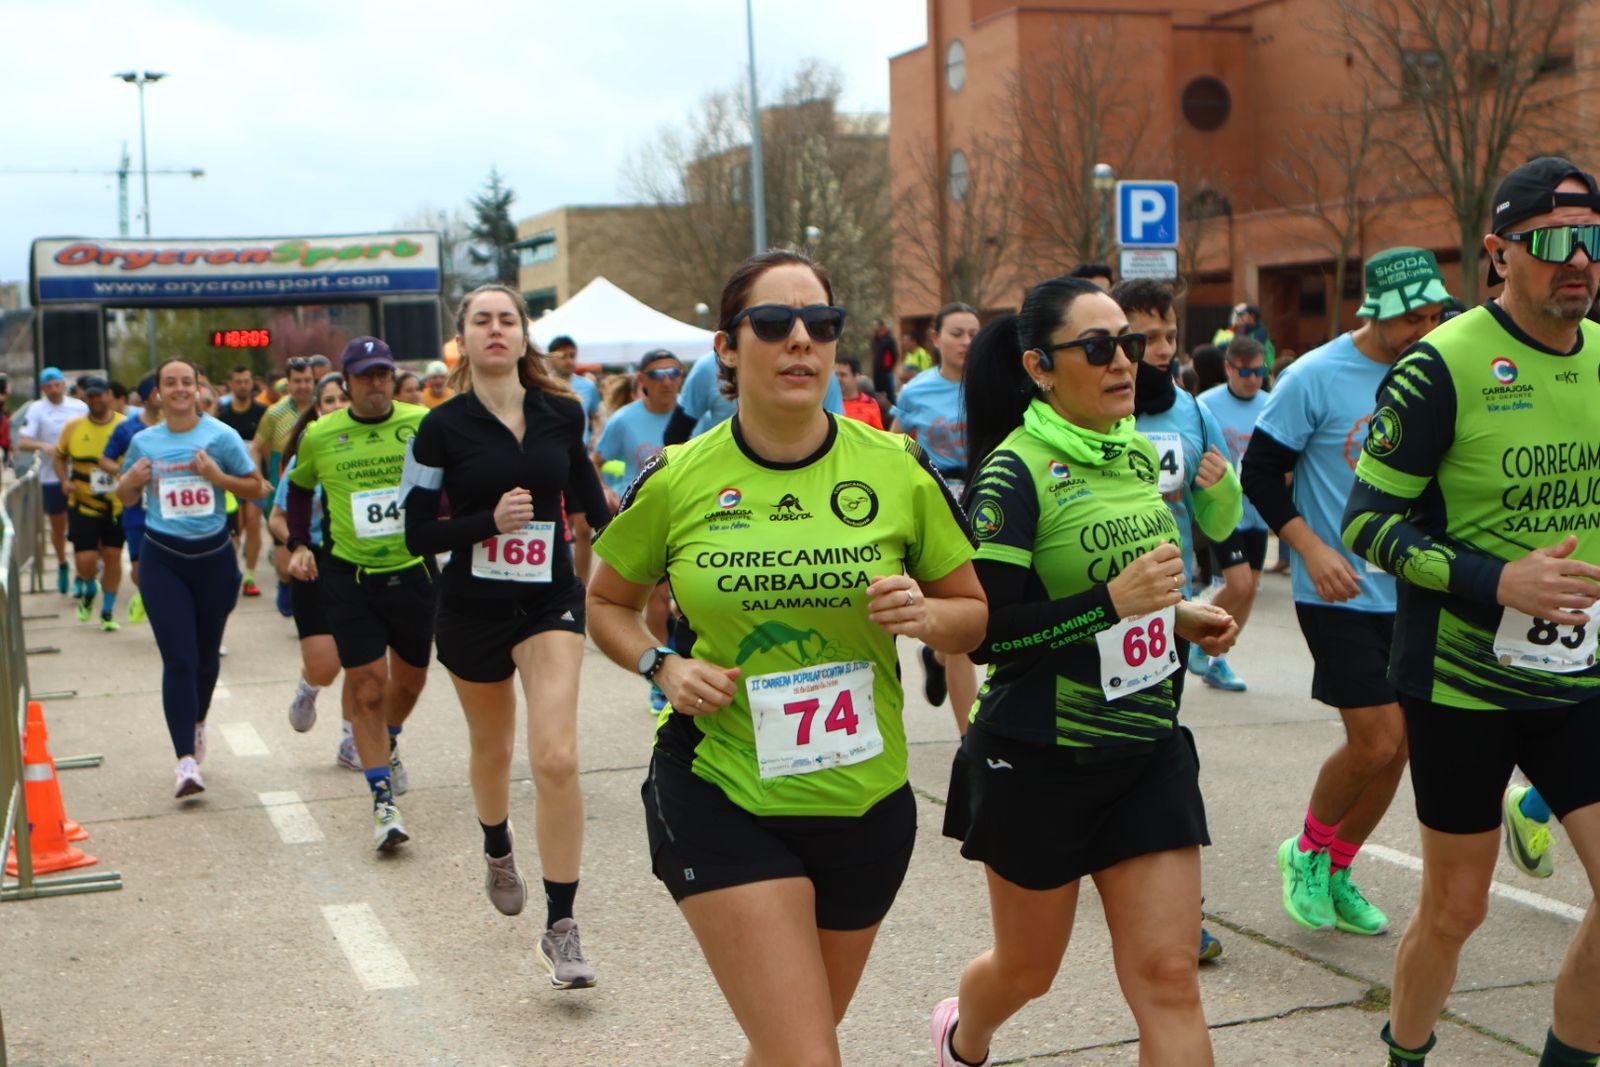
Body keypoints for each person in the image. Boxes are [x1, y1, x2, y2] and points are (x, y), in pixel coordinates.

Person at [587, 248, 985, 1064]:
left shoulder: (896, 467)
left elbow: (973, 616)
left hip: (866, 803)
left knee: (787, 1046)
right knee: (808, 1054)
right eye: (774, 323)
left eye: (821, 324)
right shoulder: (677, 477)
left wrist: (922, 613)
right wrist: (660, 663)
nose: (801, 340)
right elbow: (604, 603)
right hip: (721, 789)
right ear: (728, 348)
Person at [936, 275, 1237, 1067]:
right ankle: (964, 1034)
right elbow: (989, 635)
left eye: (1130, 345)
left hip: (1145, 750)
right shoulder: (1014, 473)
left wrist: (1176, 616)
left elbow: (1134, 593)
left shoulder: (1132, 453)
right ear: (1040, 366)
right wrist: (1112, 602)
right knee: (1028, 971)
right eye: (1098, 348)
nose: (1124, 363)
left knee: (1170, 976)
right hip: (1039, 756)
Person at [1343, 157, 1600, 1067]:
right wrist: (1500, 581)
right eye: (1556, 242)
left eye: (1595, 241)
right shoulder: (1440, 364)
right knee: (1457, 908)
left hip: (1580, 676)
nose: (1580, 261)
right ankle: (1405, 1050)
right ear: (1499, 254)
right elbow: (1367, 523)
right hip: (1460, 680)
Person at [403, 284, 612, 988]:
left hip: (549, 602)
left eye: (507, 319)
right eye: (481, 320)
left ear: (525, 336)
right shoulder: (439, 428)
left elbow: (593, 505)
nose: (496, 329)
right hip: (470, 610)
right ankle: (497, 842)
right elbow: (415, 532)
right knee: (491, 750)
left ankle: (561, 925)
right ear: (462, 338)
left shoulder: (563, 414)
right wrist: (484, 524)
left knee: (555, 756)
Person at [1241, 246, 1449, 944]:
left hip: (1413, 588)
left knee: (1402, 748)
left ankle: (1336, 866)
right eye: (1412, 317)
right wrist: (1311, 548)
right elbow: (1262, 472)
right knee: (1376, 738)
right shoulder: (1315, 376)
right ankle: (1305, 850)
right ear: (1378, 310)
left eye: (1434, 315)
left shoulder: (1439, 372)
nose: (1425, 329)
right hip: (1336, 589)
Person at [1115, 278, 1243, 962]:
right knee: (1111, 748)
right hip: (1095, 605)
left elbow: (1220, 521)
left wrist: (1219, 487)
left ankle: (1174, 909)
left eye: (1167, 336)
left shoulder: (1192, 413)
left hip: (1167, 610)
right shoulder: (1089, 407)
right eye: (1143, 338)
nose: (1160, 350)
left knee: (1158, 744)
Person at [287, 337, 431, 851]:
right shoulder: (321, 435)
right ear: (345, 381)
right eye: (366, 375)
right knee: (368, 685)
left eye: (383, 374)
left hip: (414, 572)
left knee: (409, 682)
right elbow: (300, 488)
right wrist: (301, 542)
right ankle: (382, 801)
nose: (376, 383)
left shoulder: (421, 422)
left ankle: (388, 741)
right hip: (350, 578)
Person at [115, 358, 268, 797]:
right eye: (170, 383)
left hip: (215, 560)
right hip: (163, 558)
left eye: (188, 381)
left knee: (204, 658)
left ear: (200, 389)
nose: (179, 389)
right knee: (178, 658)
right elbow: (125, 497)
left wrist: (217, 477)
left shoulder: (220, 437)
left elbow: (257, 486)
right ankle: (185, 761)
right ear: (157, 393)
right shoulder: (144, 440)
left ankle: (197, 720)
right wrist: (131, 478)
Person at [892, 302, 980, 734]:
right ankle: (971, 742)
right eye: (957, 333)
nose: (966, 342)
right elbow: (894, 449)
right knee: (961, 616)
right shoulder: (916, 392)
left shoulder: (992, 385)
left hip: (988, 498)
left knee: (986, 611)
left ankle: (936, 654)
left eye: (972, 333)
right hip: (940, 498)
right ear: (936, 338)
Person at [270, 373, 360, 771]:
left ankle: (351, 738)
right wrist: (298, 545)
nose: (338, 405)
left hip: (365, 562)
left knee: (363, 658)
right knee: (327, 665)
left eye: (344, 398)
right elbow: (277, 517)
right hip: (316, 564)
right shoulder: (305, 457)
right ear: (317, 410)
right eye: (329, 400)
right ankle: (309, 686)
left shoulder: (380, 451)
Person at [1190, 335, 1272, 691]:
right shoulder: (1204, 406)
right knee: (1236, 582)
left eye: (1259, 371)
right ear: (1228, 368)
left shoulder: (1272, 404)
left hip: (1257, 512)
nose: (1253, 378)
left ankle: (1217, 659)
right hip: (1223, 510)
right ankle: (1194, 634)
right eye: (1245, 372)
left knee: (1249, 588)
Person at [54, 376, 126, 630]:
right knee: (85, 560)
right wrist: (64, 480)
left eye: (99, 395)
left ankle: (107, 611)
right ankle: (87, 587)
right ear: (86, 398)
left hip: (116, 506)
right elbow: (59, 457)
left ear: (109, 395)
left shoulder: (124, 426)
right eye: (90, 396)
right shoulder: (73, 427)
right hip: (83, 503)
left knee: (112, 556)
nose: (95, 400)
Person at [255, 358, 318, 617]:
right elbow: (255, 447)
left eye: (307, 380)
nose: (303, 386)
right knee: (284, 561)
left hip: (320, 492)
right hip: (285, 489)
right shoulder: (274, 413)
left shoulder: (327, 409)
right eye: (297, 381)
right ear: (287, 383)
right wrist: (258, 477)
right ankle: (284, 581)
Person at [16, 367, 88, 594]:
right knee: (59, 528)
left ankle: (81, 573)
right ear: (42, 389)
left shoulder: (79, 407)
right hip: (51, 477)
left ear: (64, 385)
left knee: (82, 527)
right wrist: (44, 446)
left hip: (80, 474)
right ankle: (62, 564)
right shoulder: (36, 409)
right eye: (49, 386)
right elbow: (23, 442)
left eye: (57, 385)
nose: (54, 390)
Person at [101, 375, 161, 625]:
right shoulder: (128, 429)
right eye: (160, 390)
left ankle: (163, 606)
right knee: (139, 571)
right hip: (137, 508)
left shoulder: (183, 426)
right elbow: (105, 459)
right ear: (148, 397)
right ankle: (147, 593)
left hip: (171, 510)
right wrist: (125, 475)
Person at [545, 334, 603, 584]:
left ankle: (581, 584)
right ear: (550, 358)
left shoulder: (586, 387)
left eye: (572, 355)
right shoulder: (541, 387)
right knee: (557, 524)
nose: (568, 361)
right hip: (551, 462)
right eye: (562, 356)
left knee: (583, 526)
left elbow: (597, 416)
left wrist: (596, 437)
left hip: (578, 462)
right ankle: (557, 578)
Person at [593, 349, 681, 511]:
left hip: (686, 508)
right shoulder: (623, 419)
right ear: (642, 379)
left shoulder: (696, 414)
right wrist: (605, 491)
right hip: (640, 511)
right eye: (658, 375)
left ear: (680, 376)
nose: (667, 381)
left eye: (673, 373)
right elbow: (594, 462)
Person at [214, 365, 268, 597]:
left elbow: (266, 447)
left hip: (254, 478)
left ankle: (250, 575)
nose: (243, 385)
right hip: (229, 481)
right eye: (239, 382)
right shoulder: (223, 417)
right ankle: (231, 571)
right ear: (231, 384)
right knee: (235, 530)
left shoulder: (263, 412)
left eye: (247, 381)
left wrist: (264, 477)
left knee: (253, 522)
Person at [833, 357, 883, 429]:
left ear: (857, 377)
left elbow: (878, 435)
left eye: (843, 375)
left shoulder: (869, 403)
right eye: (836, 375)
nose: (838, 379)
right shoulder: (827, 401)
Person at [869, 317, 899, 400]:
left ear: (881, 326)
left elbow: (895, 355)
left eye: (875, 325)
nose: (874, 327)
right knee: (877, 393)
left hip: (886, 371)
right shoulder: (874, 339)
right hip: (877, 370)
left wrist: (889, 367)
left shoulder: (889, 339)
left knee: (890, 393)